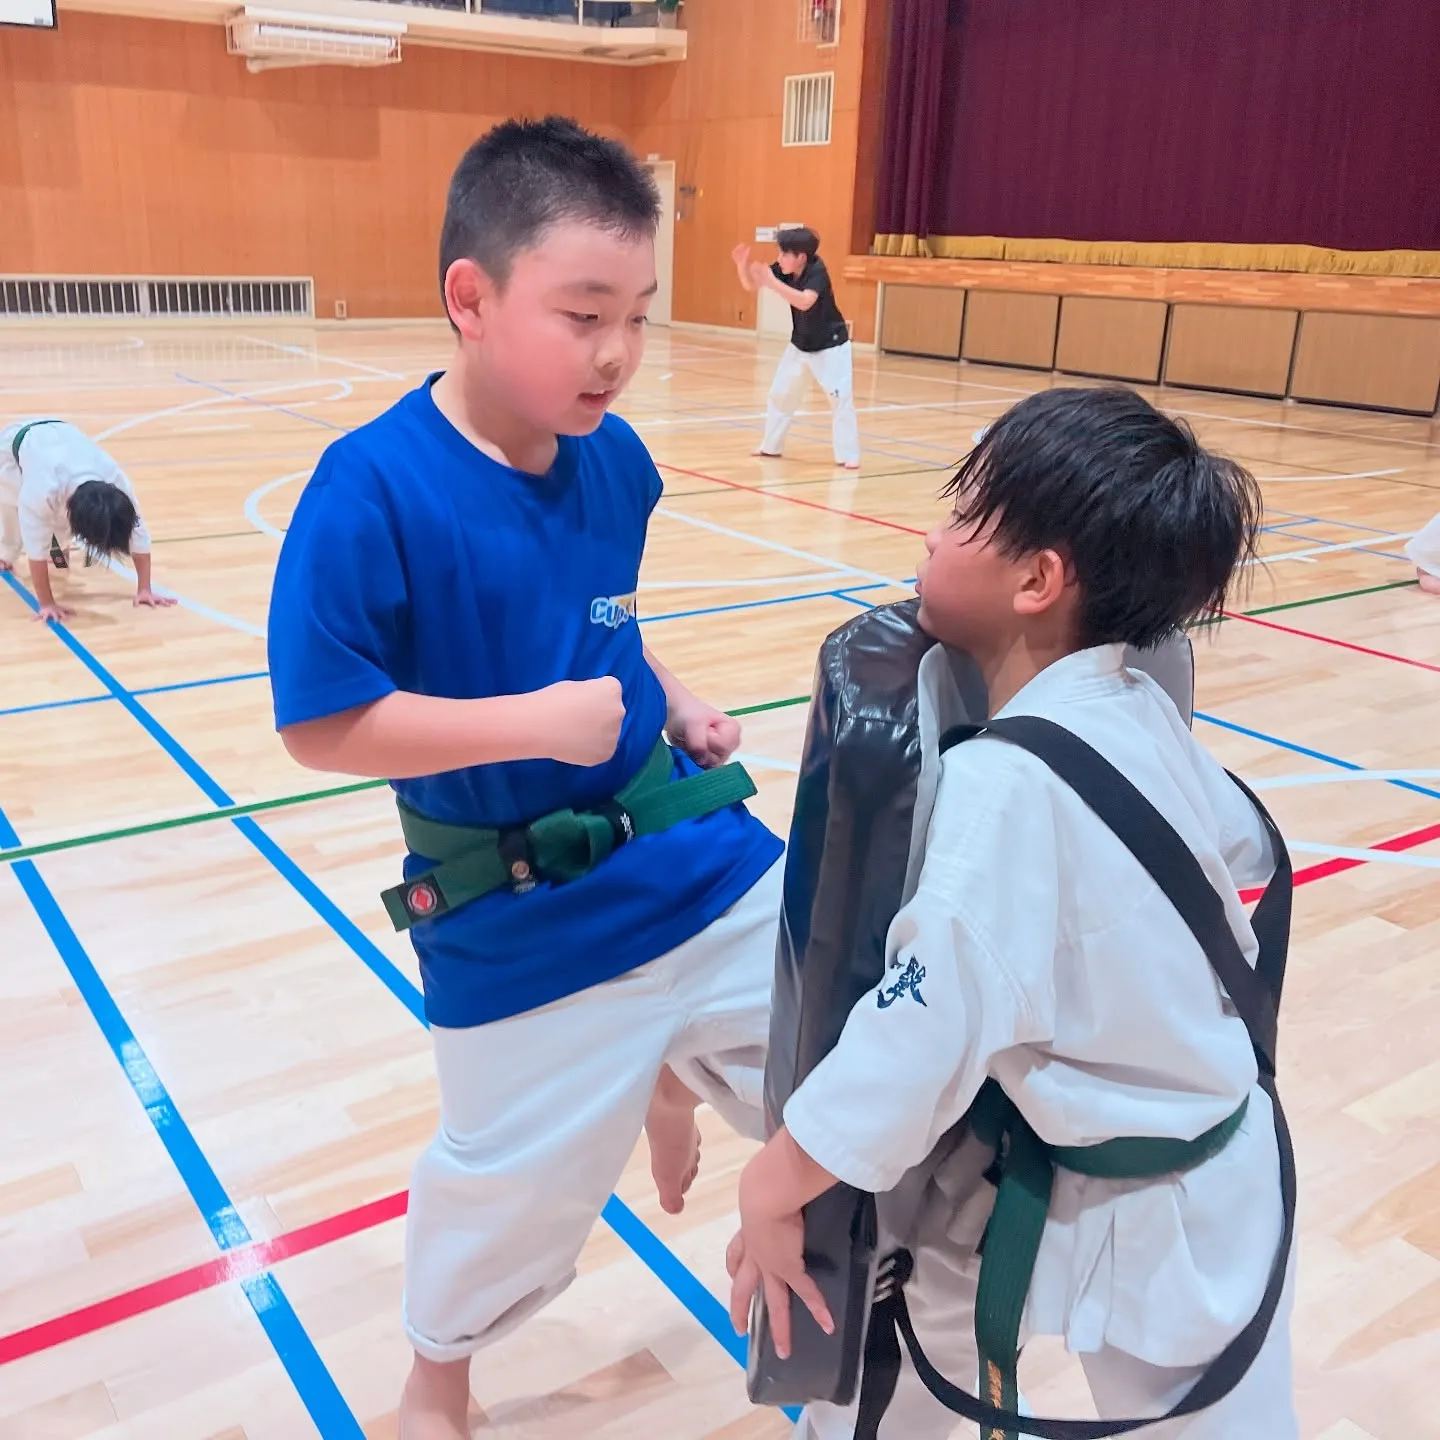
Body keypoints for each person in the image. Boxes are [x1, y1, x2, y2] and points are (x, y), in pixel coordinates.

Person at [265, 116, 784, 1440]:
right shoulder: (369, 489)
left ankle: (681, 1082)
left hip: (685, 851)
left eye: (640, 317)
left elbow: (604, 615)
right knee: (505, 1188)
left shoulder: (617, 460)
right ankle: (436, 1382)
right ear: (472, 298)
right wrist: (526, 725)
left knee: (848, 1031)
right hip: (513, 910)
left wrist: (675, 696)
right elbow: (323, 727)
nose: (617, 353)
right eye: (584, 313)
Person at [729, 387, 1297, 1439]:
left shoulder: (1006, 789)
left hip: (1152, 1224)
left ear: (1037, 580)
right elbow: (1243, 844)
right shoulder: (1135, 702)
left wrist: (773, 1187)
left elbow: (917, 1036)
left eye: (962, 513)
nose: (933, 532)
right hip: (1234, 1167)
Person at [0, 418, 173, 622]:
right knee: (9, 504)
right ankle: (5, 553)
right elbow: (35, 546)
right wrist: (47, 604)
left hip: (62, 436)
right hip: (12, 448)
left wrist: (144, 588)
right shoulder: (43, 487)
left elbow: (138, 533)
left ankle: (58, 552)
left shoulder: (115, 480)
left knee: (56, 544)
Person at [732, 227, 860, 469]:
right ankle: (771, 446)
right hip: (800, 343)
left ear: (800, 257)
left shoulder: (817, 271)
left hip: (831, 345)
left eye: (784, 254)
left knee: (840, 399)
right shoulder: (784, 269)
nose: (779, 259)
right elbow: (751, 285)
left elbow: (804, 301)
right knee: (780, 394)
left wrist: (772, 282)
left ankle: (849, 454)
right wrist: (742, 264)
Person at [1407, 511, 1440, 594]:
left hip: (1427, 553)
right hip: (1428, 555)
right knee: (1430, 581)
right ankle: (1425, 572)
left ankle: (1424, 572)